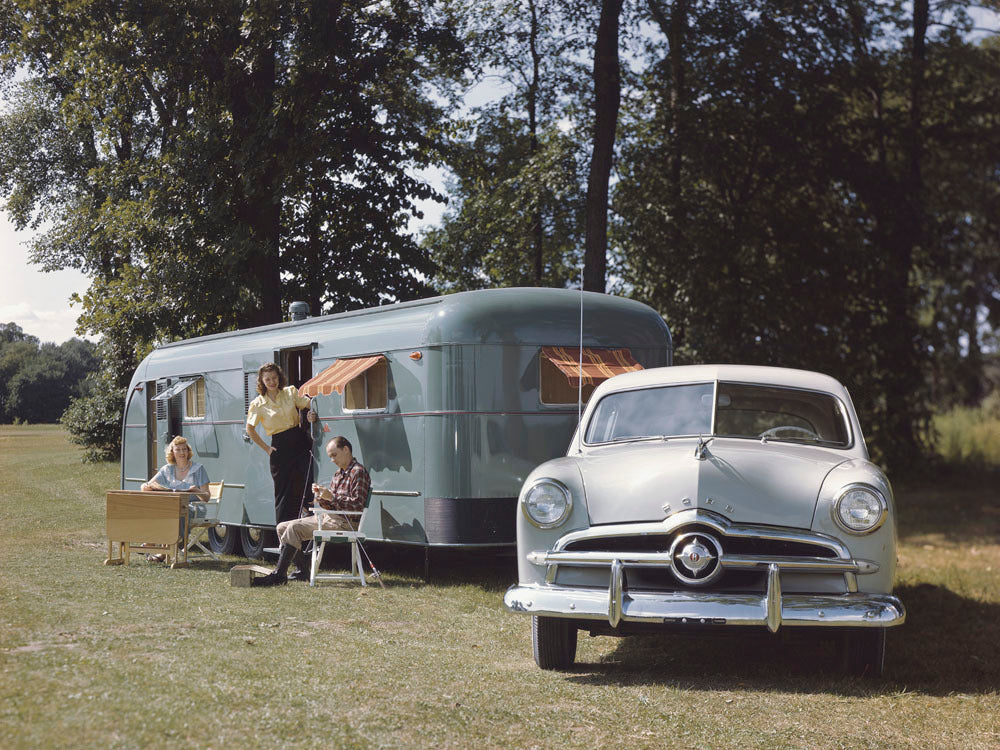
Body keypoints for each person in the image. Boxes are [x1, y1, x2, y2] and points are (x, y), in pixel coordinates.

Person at [252, 436, 371, 587]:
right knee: (281, 527)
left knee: (294, 528)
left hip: (346, 523)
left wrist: (332, 498)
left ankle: (279, 574)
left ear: (346, 449)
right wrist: (321, 497)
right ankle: (302, 571)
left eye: (334, 455)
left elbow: (357, 505)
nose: (332, 460)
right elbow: (331, 504)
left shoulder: (358, 472)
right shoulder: (338, 474)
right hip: (331, 518)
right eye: (330, 456)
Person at [245, 362, 318, 526]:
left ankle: (307, 511)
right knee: (283, 492)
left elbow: (310, 404)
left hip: (298, 440)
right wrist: (267, 449)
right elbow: (250, 429)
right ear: (262, 382)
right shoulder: (258, 403)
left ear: (279, 377)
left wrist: (310, 415)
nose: (272, 382)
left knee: (309, 477)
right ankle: (283, 536)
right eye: (268, 379)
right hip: (279, 446)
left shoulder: (290, 392)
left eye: (274, 378)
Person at [141, 436, 210, 562]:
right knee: (162, 511)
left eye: (184, 449)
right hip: (171, 506)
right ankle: (162, 550)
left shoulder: (198, 469)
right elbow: (145, 486)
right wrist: (149, 486)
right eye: (178, 449)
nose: (182, 452)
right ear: (172, 452)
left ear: (188, 451)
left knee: (175, 512)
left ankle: (155, 545)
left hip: (193, 507)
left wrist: (197, 491)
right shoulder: (167, 469)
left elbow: (207, 497)